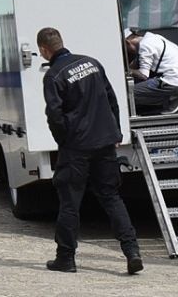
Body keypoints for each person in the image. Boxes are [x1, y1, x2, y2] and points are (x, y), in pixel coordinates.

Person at [37, 26, 143, 275]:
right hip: (104, 142)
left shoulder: (53, 75)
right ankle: (132, 252)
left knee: (70, 202)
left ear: (44, 49)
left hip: (77, 147)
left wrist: (64, 140)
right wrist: (116, 132)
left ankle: (66, 257)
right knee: (111, 196)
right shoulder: (92, 63)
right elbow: (111, 98)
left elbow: (54, 115)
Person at [124, 29, 178, 114]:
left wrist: (127, 71)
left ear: (127, 42)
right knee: (145, 86)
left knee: (127, 93)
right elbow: (139, 62)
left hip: (173, 81)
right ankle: (175, 96)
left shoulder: (145, 46)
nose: (127, 52)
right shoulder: (152, 39)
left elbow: (143, 75)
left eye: (125, 48)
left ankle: (172, 99)